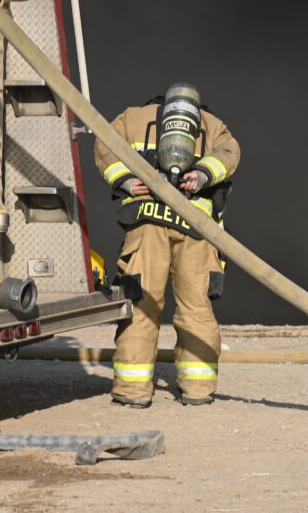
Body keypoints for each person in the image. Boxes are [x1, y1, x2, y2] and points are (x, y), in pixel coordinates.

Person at [94, 82, 240, 407]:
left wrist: (125, 180)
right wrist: (202, 175)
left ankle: (132, 391)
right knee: (196, 309)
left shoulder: (133, 117)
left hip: (147, 223)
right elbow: (230, 155)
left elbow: (104, 146)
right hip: (196, 227)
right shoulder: (212, 124)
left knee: (141, 307)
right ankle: (198, 390)